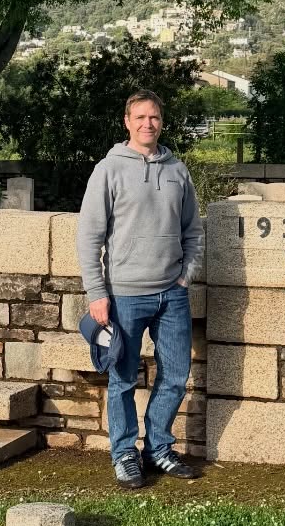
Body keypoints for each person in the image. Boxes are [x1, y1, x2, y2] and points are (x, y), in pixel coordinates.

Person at [76, 90, 204, 489]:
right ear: (127, 122)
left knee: (175, 375)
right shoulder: (109, 170)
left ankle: (160, 449)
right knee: (123, 379)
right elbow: (88, 236)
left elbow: (193, 231)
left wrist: (186, 275)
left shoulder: (177, 170)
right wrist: (97, 294)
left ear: (161, 122)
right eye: (141, 117)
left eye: (155, 118)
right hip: (124, 295)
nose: (148, 124)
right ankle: (124, 454)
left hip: (173, 293)